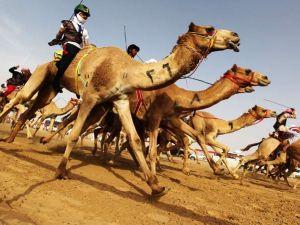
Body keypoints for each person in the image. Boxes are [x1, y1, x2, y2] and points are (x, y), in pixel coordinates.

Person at [48, 4, 91, 93]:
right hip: (69, 44)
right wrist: (61, 31)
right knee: (71, 51)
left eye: (87, 16)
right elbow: (58, 37)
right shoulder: (66, 23)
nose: (85, 17)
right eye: (84, 14)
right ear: (77, 13)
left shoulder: (85, 30)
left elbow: (86, 44)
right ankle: (56, 80)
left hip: (79, 48)